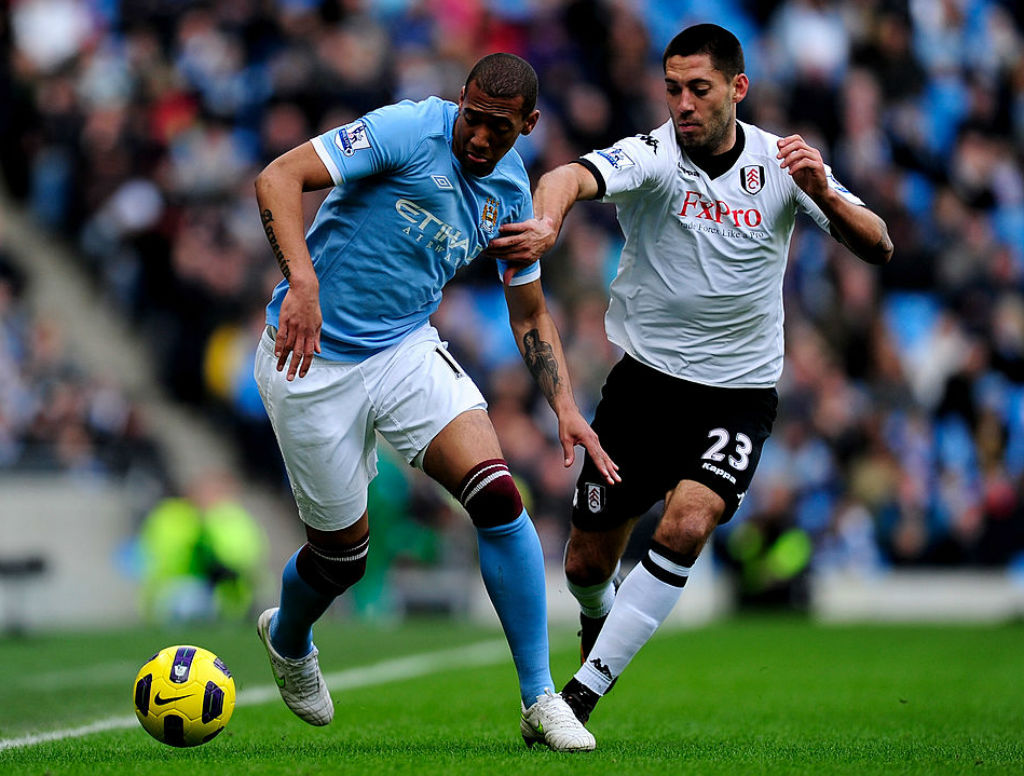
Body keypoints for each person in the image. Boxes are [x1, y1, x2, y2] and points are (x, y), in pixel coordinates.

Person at [487, 24, 893, 723]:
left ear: (738, 88)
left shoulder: (783, 163)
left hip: (738, 396)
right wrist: (550, 222)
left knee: (687, 523)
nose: (682, 103)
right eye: (672, 88)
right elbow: (563, 176)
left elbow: (879, 244)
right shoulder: (653, 155)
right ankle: (600, 627)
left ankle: (577, 699)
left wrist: (822, 191)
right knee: (586, 566)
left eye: (698, 89)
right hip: (644, 388)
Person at [252, 53, 618, 752]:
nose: (479, 138)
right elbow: (277, 177)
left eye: (499, 128)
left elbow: (531, 316)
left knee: (499, 497)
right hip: (310, 354)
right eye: (472, 119)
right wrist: (301, 282)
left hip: (402, 350)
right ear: (459, 101)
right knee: (342, 560)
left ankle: (540, 697)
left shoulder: (512, 195)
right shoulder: (405, 130)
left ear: (529, 126)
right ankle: (290, 637)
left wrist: (567, 406)